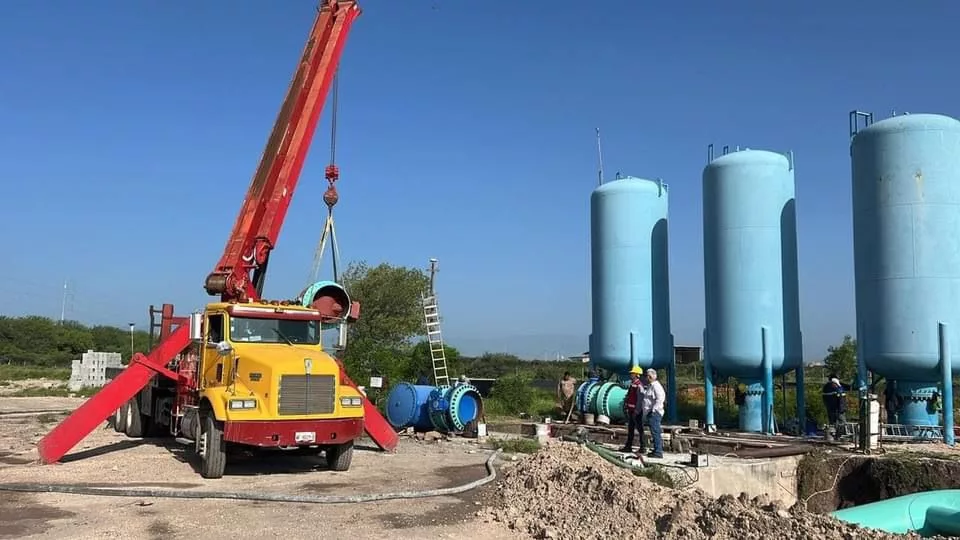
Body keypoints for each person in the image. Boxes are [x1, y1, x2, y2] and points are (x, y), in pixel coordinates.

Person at [619, 366, 646, 453]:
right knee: (630, 429)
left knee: (640, 429)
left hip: (636, 411)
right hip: (631, 410)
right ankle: (628, 446)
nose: (631, 374)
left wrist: (637, 411)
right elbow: (629, 396)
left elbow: (640, 399)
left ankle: (643, 447)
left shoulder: (639, 386)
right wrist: (626, 405)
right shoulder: (632, 384)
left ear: (637, 375)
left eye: (632, 373)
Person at [642, 368, 666, 458]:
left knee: (655, 431)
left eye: (646, 376)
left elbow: (660, 399)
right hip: (651, 412)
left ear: (650, 377)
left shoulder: (656, 386)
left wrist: (654, 410)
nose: (645, 378)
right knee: (654, 431)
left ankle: (658, 451)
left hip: (655, 413)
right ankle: (656, 449)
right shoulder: (651, 386)